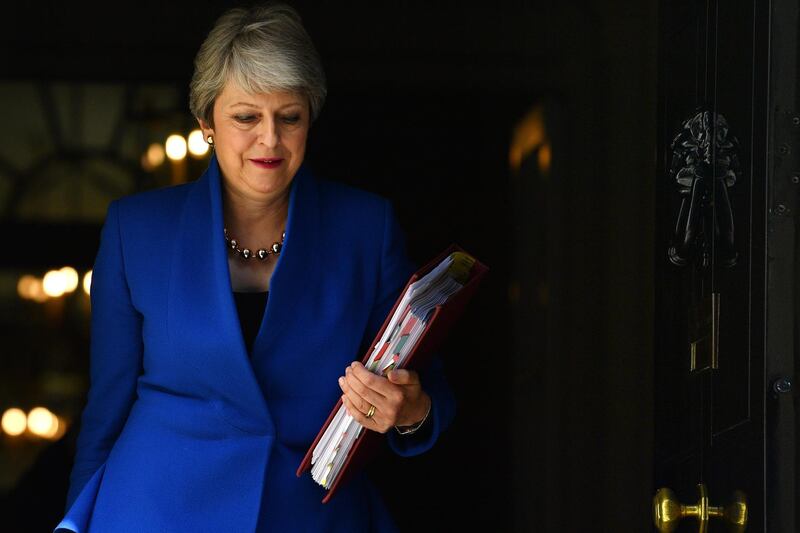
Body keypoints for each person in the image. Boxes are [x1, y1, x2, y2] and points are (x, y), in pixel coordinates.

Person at [54, 3, 455, 532]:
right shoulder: (136, 230)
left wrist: (410, 412)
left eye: (289, 117)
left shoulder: (366, 226)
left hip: (311, 517)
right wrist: (75, 520)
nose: (270, 138)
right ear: (206, 123)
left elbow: (428, 387)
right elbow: (106, 412)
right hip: (151, 512)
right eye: (246, 117)